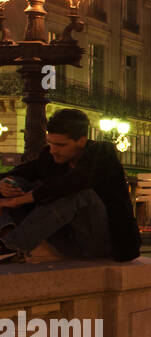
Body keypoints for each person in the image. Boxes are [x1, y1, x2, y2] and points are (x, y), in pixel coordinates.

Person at [0, 108, 141, 263]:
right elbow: (22, 171)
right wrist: (6, 183)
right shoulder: (49, 156)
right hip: (68, 242)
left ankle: (13, 246)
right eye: (51, 143)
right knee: (16, 184)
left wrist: (16, 202)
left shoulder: (102, 152)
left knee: (79, 194)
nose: (53, 150)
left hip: (106, 243)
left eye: (61, 145)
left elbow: (72, 183)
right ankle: (6, 237)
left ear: (81, 141)